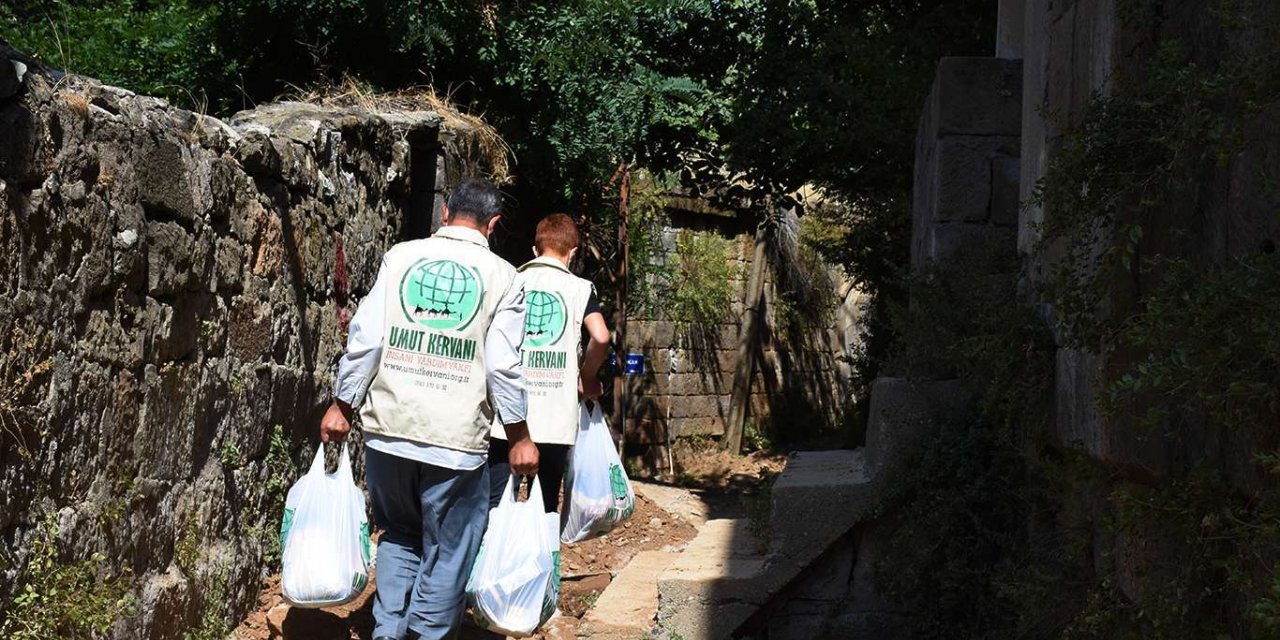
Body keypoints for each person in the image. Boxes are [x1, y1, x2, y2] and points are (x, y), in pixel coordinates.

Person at [319, 178, 538, 640]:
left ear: (445, 213)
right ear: (493, 225)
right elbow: (503, 366)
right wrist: (519, 436)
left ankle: (388, 631)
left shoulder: (400, 258)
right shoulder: (504, 278)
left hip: (388, 435)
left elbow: (367, 338)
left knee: (399, 533)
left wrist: (343, 406)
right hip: (454, 443)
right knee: (450, 547)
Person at [488, 213, 610, 513]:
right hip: (555, 418)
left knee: (496, 506)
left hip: (508, 417)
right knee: (544, 509)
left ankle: (493, 558)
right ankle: (541, 558)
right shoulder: (580, 289)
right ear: (573, 252)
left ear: (534, 250)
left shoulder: (511, 279)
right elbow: (602, 336)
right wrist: (587, 375)